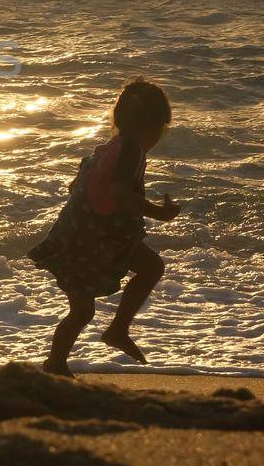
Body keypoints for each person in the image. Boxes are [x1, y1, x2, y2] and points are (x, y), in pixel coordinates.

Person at [27, 78, 182, 376]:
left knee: (86, 307)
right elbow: (121, 194)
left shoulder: (113, 145)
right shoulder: (131, 151)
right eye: (161, 130)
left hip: (85, 234)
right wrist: (158, 213)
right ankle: (105, 337)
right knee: (143, 273)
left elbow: (83, 179)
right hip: (92, 240)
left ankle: (71, 355)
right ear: (153, 125)